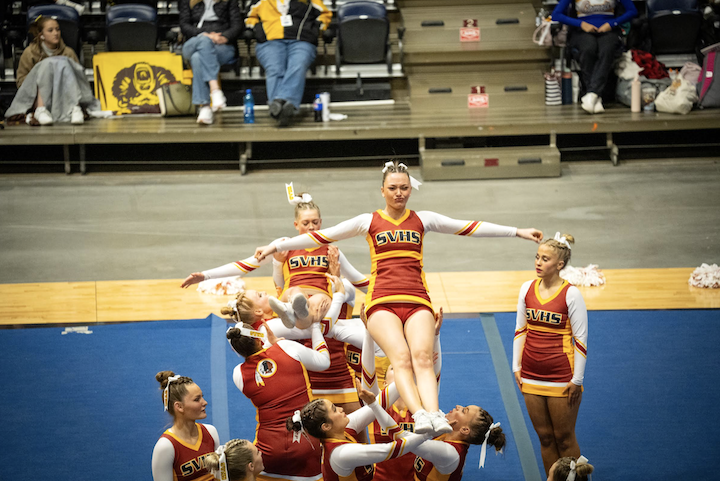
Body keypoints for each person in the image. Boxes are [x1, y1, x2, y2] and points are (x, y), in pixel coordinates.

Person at [255, 161, 543, 435]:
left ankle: (434, 413)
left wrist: (517, 232)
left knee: (423, 358)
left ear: (410, 189)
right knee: (401, 358)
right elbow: (321, 236)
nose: (399, 193)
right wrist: (274, 248)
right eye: (392, 188)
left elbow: (467, 227)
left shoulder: (422, 219)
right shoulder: (368, 221)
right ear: (382, 190)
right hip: (382, 301)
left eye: (404, 188)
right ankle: (419, 415)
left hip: (417, 299)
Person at [512, 233, 588, 476]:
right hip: (531, 374)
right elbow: (520, 329)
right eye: (537, 257)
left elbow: (580, 340)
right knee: (545, 437)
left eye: (545, 259)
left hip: (561, 377)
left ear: (559, 264)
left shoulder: (571, 294)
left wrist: (577, 379)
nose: (538, 262)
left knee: (564, 438)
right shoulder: (526, 289)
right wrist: (516, 366)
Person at [227, 311, 332, 481]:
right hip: (306, 443)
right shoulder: (286, 347)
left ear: (236, 349)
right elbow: (324, 362)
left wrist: (270, 345)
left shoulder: (238, 374)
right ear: (258, 338)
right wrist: (315, 327)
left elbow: (265, 369)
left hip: (267, 451)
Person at [287, 387, 430, 481]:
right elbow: (389, 450)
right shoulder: (341, 454)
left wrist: (405, 369)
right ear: (326, 426)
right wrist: (429, 432)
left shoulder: (341, 430)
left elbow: (381, 402)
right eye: (334, 409)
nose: (340, 409)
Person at [245, 0, 331, 127]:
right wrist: (256, 28)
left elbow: (324, 14)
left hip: (301, 39)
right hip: (269, 40)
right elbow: (250, 16)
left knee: (298, 65)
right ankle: (286, 106)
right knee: (275, 68)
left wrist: (317, 27)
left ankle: (278, 105)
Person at [5, 15, 97, 125]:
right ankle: (41, 110)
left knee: (63, 62)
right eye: (50, 30)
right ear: (41, 35)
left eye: (57, 29)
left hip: (63, 95)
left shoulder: (68, 52)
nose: (56, 33)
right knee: (47, 64)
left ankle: (75, 109)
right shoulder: (29, 53)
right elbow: (21, 81)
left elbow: (79, 79)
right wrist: (41, 80)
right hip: (37, 95)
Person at [551, 0, 638, 114]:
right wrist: (581, 24)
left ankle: (592, 94)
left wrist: (612, 23)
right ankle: (596, 95)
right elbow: (556, 14)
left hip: (608, 29)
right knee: (588, 49)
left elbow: (632, 11)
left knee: (607, 49)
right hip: (582, 30)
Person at [179, 0, 241, 125]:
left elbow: (237, 25)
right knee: (204, 41)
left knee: (197, 58)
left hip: (221, 45)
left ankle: (205, 107)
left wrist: (225, 37)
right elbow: (184, 25)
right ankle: (215, 89)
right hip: (194, 42)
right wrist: (205, 35)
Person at [151, 371, 220, 481]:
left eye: (202, 397)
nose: (205, 402)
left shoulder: (211, 432)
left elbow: (220, 475)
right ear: (179, 407)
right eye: (197, 399)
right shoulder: (165, 447)